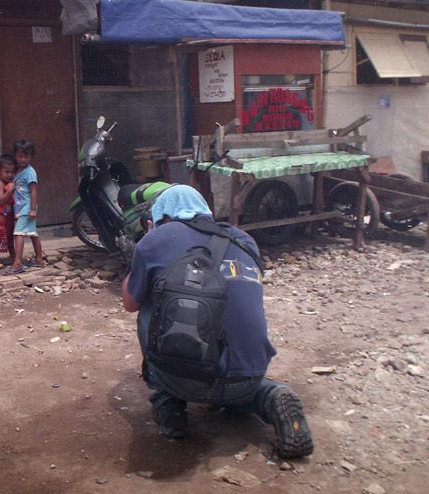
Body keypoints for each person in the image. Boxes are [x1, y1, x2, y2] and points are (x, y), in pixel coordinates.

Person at [121, 184, 314, 459]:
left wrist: (142, 252)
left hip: (183, 379)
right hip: (246, 377)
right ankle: (270, 395)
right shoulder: (244, 240)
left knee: (149, 300)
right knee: (233, 303)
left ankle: (168, 401)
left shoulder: (156, 239)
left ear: (161, 217)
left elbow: (129, 303)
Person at [4, 139, 44, 275]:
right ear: (15, 156)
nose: (23, 159)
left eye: (26, 156)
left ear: (31, 156)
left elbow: (33, 191)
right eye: (20, 156)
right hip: (20, 208)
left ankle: (17, 263)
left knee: (18, 233)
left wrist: (32, 209)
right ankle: (39, 260)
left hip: (27, 207)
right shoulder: (16, 171)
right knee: (32, 233)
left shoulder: (30, 172)